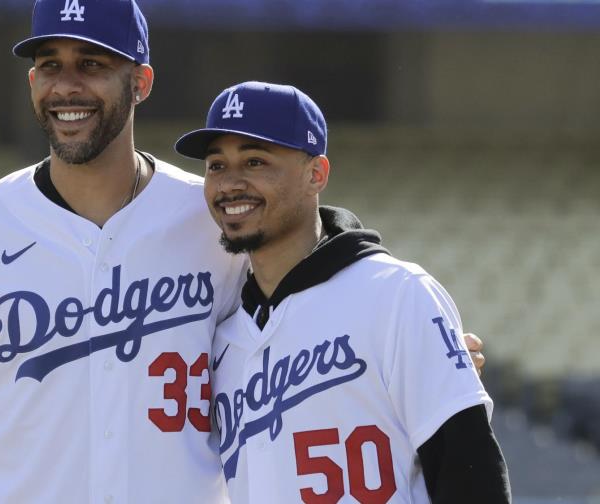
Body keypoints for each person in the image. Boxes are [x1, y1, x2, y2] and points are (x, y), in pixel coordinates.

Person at [0, 2, 487, 503]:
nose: (67, 85)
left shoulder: (210, 219)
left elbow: (308, 297)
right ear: (31, 82)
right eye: (50, 65)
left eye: (92, 64)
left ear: (140, 82)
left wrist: (419, 351)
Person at [174, 81, 511, 503]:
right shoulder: (225, 339)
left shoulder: (396, 295)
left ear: (315, 174)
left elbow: (471, 470)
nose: (229, 183)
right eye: (216, 165)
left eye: (255, 161)